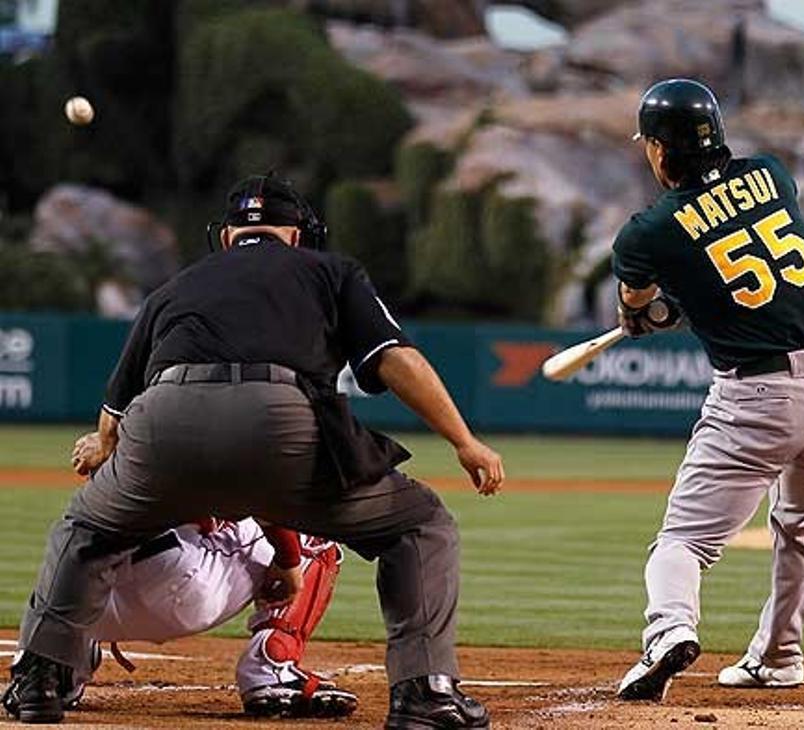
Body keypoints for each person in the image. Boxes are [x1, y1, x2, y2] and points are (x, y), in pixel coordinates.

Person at [4, 173, 503, 728]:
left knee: (85, 529)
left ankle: (40, 680)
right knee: (420, 524)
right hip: (280, 422)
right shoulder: (330, 270)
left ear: (226, 237)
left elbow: (116, 411)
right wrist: (464, 441)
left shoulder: (177, 286)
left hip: (164, 423)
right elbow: (393, 357)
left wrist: (102, 447)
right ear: (297, 236)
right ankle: (423, 694)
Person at [611, 78, 804, 700]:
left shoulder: (648, 231)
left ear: (658, 149)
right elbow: (734, 255)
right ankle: (779, 657)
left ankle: (669, 628)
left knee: (683, 541)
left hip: (762, 397)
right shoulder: (771, 174)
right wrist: (675, 305)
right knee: (800, 519)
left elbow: (637, 302)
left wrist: (644, 313)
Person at [4, 511, 356, 718]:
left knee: (79, 532)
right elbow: (261, 500)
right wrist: (289, 562)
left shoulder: (118, 430)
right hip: (183, 590)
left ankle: (57, 664)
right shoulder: (216, 421)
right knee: (312, 533)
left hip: (86, 607)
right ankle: (270, 668)